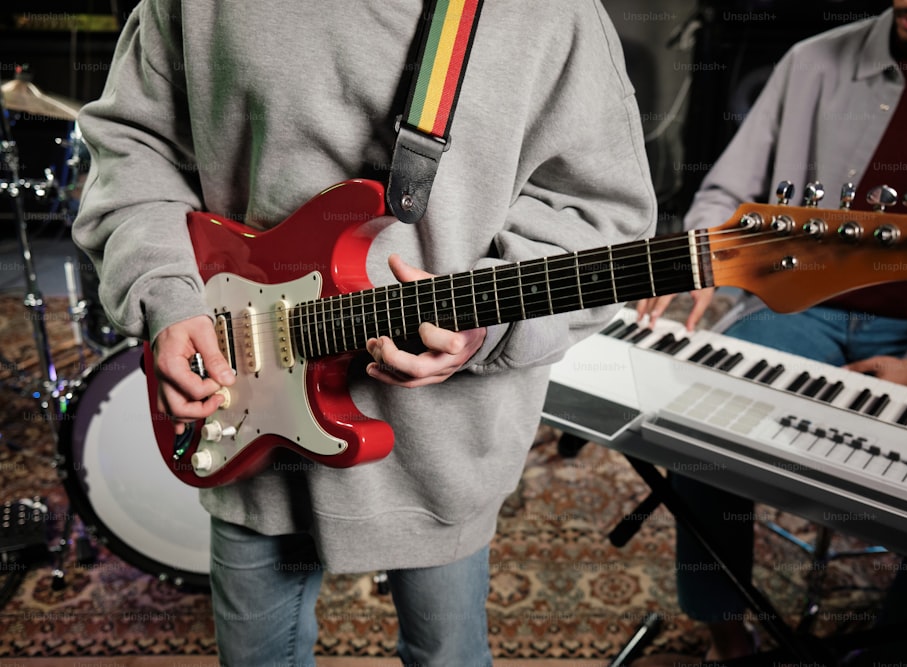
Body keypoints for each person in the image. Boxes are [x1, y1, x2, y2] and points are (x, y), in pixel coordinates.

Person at [71, 2, 657, 665]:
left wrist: (485, 325)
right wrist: (165, 294)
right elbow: (133, 147)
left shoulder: (550, 13)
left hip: (442, 447)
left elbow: (602, 211)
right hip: (246, 416)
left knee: (448, 653)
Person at [631, 0, 907, 664]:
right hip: (798, 312)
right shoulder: (811, 61)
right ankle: (726, 631)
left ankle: (900, 650)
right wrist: (703, 255)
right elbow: (725, 192)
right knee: (701, 417)